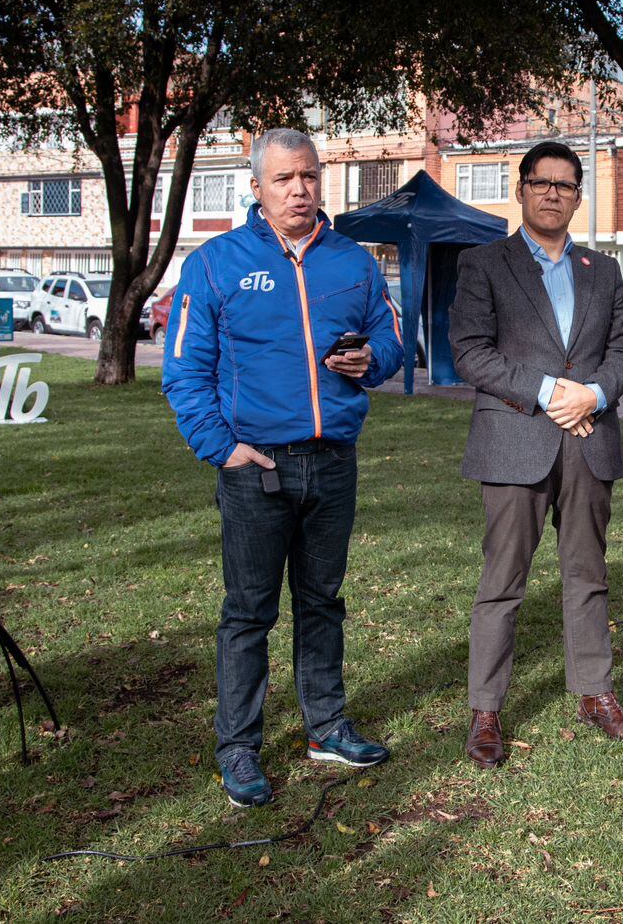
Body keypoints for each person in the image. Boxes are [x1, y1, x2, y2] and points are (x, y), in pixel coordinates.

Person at [162, 128, 405, 806]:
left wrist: (371, 361)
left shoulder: (353, 261)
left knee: (323, 602)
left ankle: (326, 726)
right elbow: (185, 371)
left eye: (308, 176)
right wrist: (221, 448)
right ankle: (238, 748)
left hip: (333, 462)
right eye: (283, 180)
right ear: (257, 189)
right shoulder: (215, 264)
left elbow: (391, 336)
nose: (299, 190)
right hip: (255, 468)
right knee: (248, 613)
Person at [449, 140, 623, 768]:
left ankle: (595, 693)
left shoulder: (603, 270)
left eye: (566, 185)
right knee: (502, 580)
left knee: (588, 574)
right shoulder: (484, 264)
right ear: (522, 188)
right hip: (514, 439)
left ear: (578, 195)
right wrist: (547, 393)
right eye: (542, 182)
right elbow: (471, 352)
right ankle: (486, 709)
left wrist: (591, 394)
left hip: (589, 441)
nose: (553, 194)